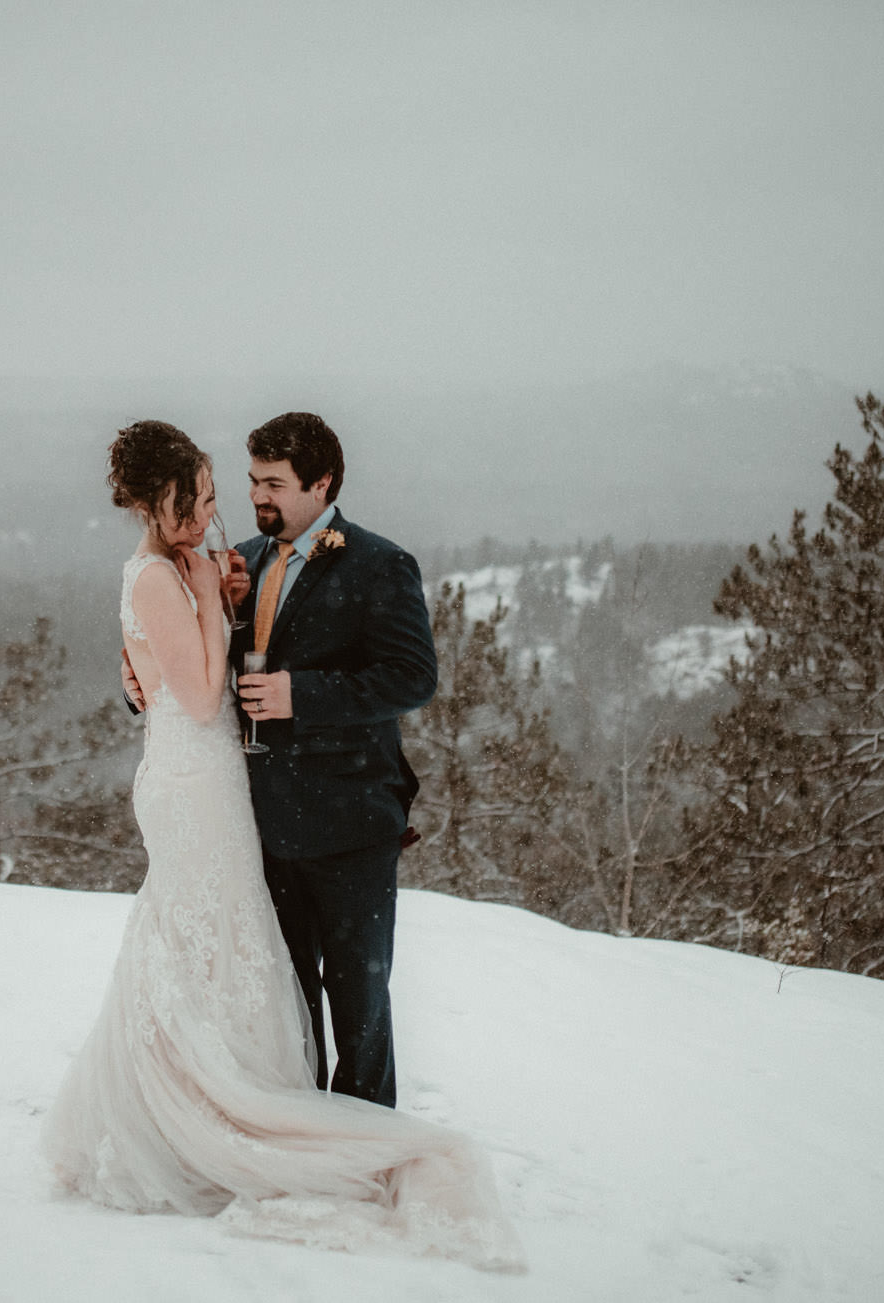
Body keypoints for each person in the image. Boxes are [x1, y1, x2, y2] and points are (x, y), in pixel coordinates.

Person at [42, 420, 523, 1271]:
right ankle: (283, 1138)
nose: (256, 499)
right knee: (281, 996)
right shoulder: (245, 564)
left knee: (359, 1007)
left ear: (323, 482)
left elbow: (411, 677)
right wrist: (140, 678)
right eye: (250, 481)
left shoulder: (380, 565)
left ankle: (359, 1152)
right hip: (252, 822)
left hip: (347, 824)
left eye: (271, 485)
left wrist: (303, 692)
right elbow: (194, 679)